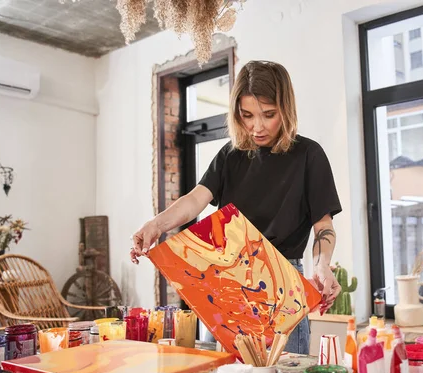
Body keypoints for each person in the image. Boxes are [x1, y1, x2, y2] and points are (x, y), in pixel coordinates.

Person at [130, 60, 342, 355]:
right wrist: (156, 224)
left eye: (269, 115)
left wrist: (321, 265)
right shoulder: (230, 156)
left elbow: (323, 225)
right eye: (247, 115)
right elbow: (194, 200)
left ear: (286, 109)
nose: (257, 127)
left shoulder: (309, 155)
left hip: (282, 286)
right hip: (227, 286)